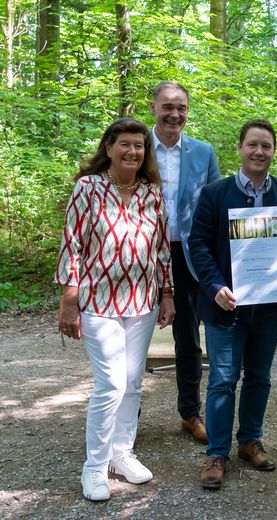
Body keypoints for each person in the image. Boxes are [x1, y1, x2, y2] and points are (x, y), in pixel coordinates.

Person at [56, 118, 175, 501]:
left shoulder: (152, 192)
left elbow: (161, 249)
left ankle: (121, 454)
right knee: (111, 384)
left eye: (139, 146)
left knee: (133, 381)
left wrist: (167, 293)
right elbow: (73, 243)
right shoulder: (88, 188)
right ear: (108, 148)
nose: (132, 152)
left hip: (142, 301)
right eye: (124, 144)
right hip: (98, 301)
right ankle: (94, 466)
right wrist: (70, 299)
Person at [189, 120, 277, 489]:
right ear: (239, 149)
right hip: (227, 305)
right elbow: (198, 246)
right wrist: (214, 286)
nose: (259, 152)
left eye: (266, 146)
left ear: (274, 152)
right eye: (252, 145)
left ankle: (249, 441)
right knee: (223, 379)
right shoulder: (215, 193)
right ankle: (217, 453)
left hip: (269, 306)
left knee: (259, 376)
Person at [150, 81, 221, 444]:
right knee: (131, 336)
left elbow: (215, 204)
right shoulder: (135, 145)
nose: (174, 114)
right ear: (153, 109)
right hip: (140, 255)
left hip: (187, 256)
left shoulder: (202, 151)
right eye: (167, 107)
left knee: (189, 339)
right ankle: (125, 416)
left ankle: (189, 413)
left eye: (181, 107)